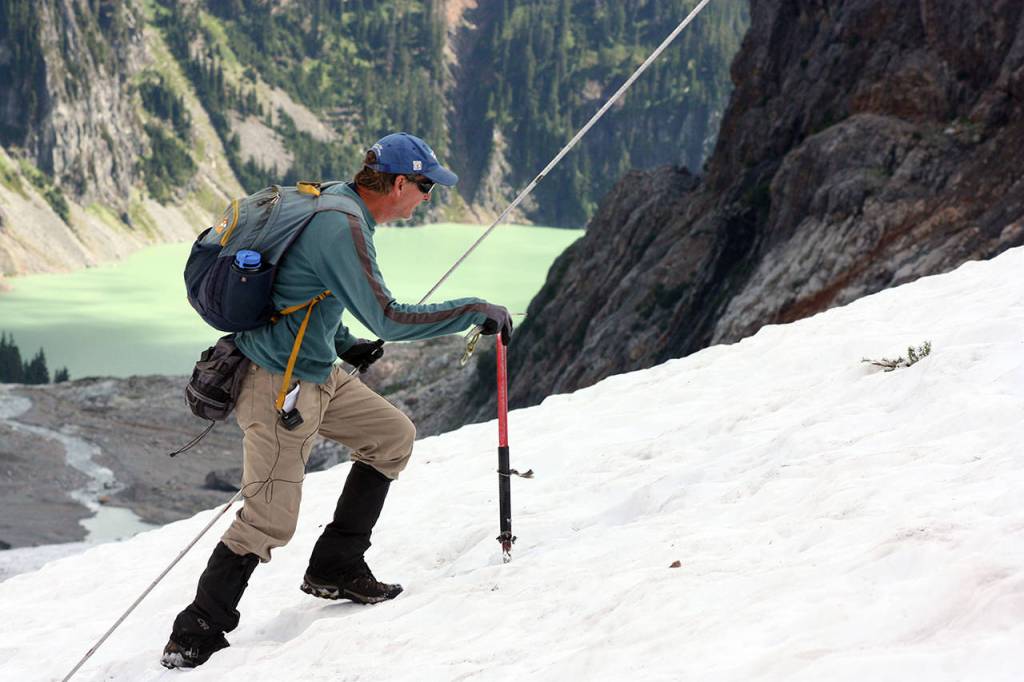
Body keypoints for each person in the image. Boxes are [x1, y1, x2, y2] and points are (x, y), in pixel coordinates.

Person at [161, 132, 513, 669]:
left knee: (391, 437)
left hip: (315, 371)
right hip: (279, 384)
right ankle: (194, 635)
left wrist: (344, 343)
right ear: (399, 183)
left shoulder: (335, 202)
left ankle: (335, 567)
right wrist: (474, 310)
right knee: (268, 520)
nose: (428, 199)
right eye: (426, 188)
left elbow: (303, 290)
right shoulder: (342, 225)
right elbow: (388, 317)